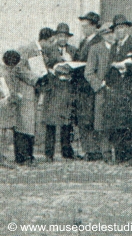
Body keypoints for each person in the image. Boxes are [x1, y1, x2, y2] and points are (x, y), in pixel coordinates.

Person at [14, 28, 58, 165]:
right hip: (25, 90)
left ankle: (29, 156)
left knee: (30, 123)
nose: (52, 44)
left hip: (34, 91)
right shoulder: (27, 48)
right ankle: (23, 157)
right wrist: (35, 79)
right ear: (43, 40)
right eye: (51, 41)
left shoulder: (41, 52)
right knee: (24, 123)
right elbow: (19, 68)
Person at [105, 14, 132, 165]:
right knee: (116, 124)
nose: (119, 31)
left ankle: (131, 157)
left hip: (129, 90)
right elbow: (109, 66)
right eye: (116, 28)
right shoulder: (114, 46)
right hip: (115, 90)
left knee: (129, 124)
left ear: (127, 28)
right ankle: (119, 156)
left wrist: (126, 66)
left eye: (122, 27)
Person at [42, 23, 76, 162]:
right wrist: (53, 69)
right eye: (60, 36)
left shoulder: (73, 50)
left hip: (67, 89)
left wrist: (71, 66)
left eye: (65, 36)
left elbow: (79, 67)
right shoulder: (49, 49)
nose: (63, 39)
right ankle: (49, 153)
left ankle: (66, 151)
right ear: (56, 36)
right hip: (54, 89)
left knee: (66, 122)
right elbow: (44, 66)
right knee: (51, 122)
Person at [84, 22, 117, 164]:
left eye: (113, 33)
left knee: (117, 122)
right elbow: (89, 72)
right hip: (102, 92)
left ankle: (119, 154)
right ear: (102, 36)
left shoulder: (119, 48)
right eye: (107, 34)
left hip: (118, 92)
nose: (111, 36)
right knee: (102, 123)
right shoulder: (95, 49)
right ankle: (106, 153)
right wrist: (99, 84)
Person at [72, 11, 103, 161]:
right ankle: (88, 150)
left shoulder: (98, 42)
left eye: (86, 26)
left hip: (89, 87)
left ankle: (94, 151)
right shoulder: (83, 42)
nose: (83, 29)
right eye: (82, 26)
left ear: (94, 26)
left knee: (90, 119)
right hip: (80, 86)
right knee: (83, 119)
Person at [0, 51, 17, 169]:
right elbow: (7, 90)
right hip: (3, 104)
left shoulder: (3, 71)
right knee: (2, 132)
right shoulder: (5, 74)